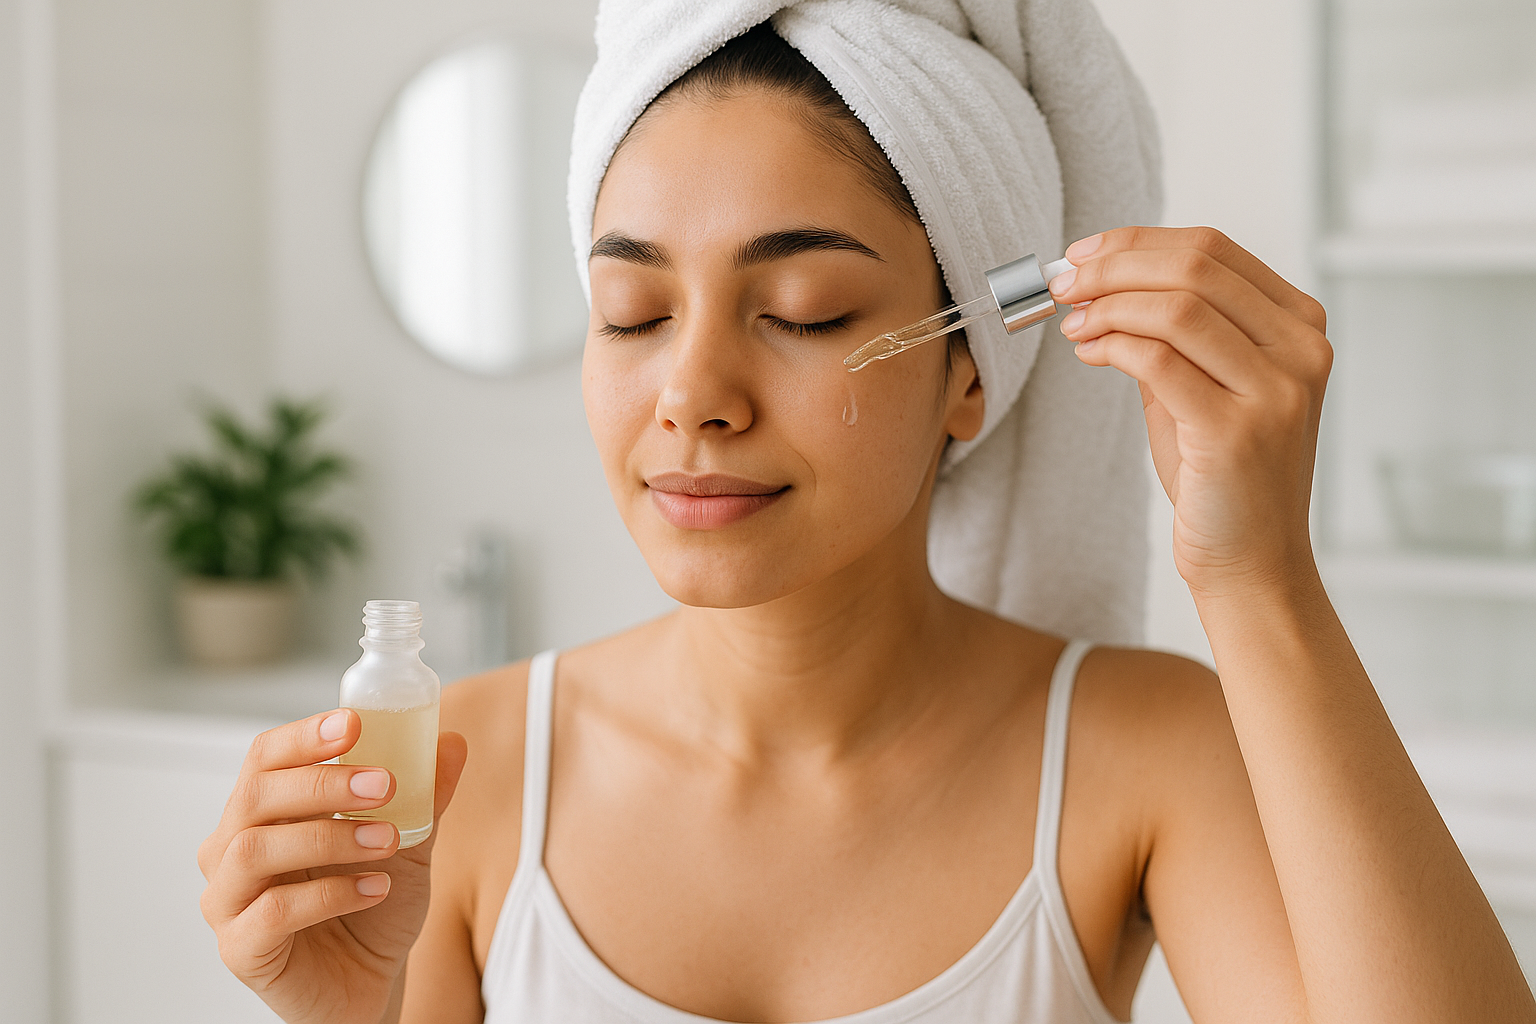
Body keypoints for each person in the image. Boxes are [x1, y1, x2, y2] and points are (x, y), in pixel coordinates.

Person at [197, 10, 1536, 1024]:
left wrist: (1260, 578)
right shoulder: (458, 777)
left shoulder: (1145, 756)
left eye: (804, 315)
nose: (693, 396)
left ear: (970, 371)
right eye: (635, 314)